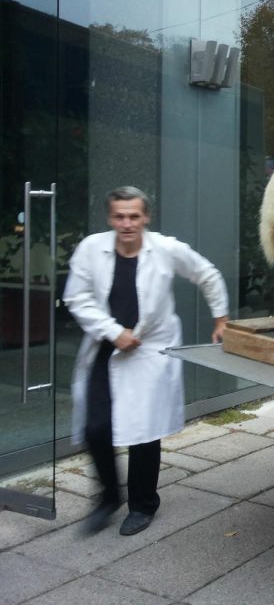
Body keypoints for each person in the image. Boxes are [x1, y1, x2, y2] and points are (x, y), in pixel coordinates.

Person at [63, 186, 229, 536]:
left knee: (144, 431)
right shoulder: (91, 249)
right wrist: (112, 331)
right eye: (120, 216)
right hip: (105, 346)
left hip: (150, 349)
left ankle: (142, 505)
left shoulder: (166, 249)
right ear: (110, 218)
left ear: (146, 217)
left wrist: (221, 320)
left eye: (134, 216)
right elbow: (76, 298)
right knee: (96, 428)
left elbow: (207, 274)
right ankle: (108, 498)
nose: (127, 224)